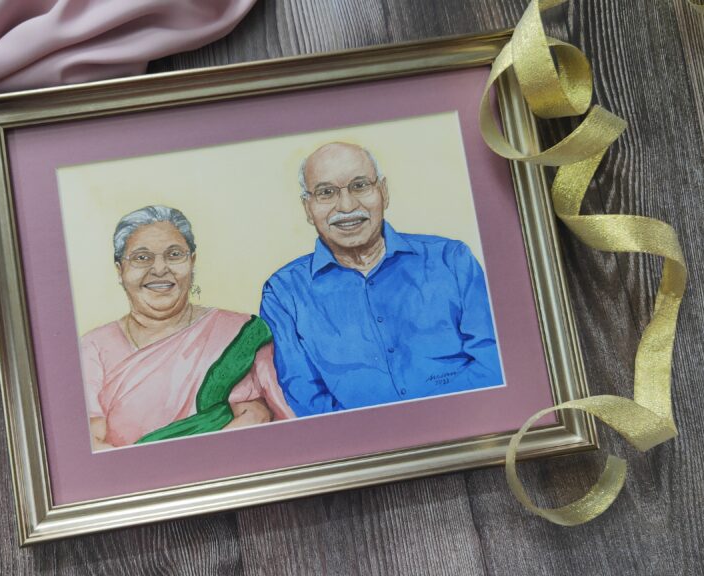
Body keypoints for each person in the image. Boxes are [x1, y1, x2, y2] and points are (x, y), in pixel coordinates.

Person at [259, 142, 503, 417]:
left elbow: (495, 361)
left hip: (468, 421)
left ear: (383, 192)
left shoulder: (452, 260)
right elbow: (306, 399)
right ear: (308, 207)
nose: (347, 206)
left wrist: (437, 420)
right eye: (326, 192)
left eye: (360, 185)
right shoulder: (283, 294)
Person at [81, 205, 293, 451]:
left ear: (192, 262)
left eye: (174, 254)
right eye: (141, 258)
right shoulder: (92, 348)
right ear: (120, 270)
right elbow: (91, 442)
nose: (159, 269)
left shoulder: (237, 333)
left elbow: (256, 416)